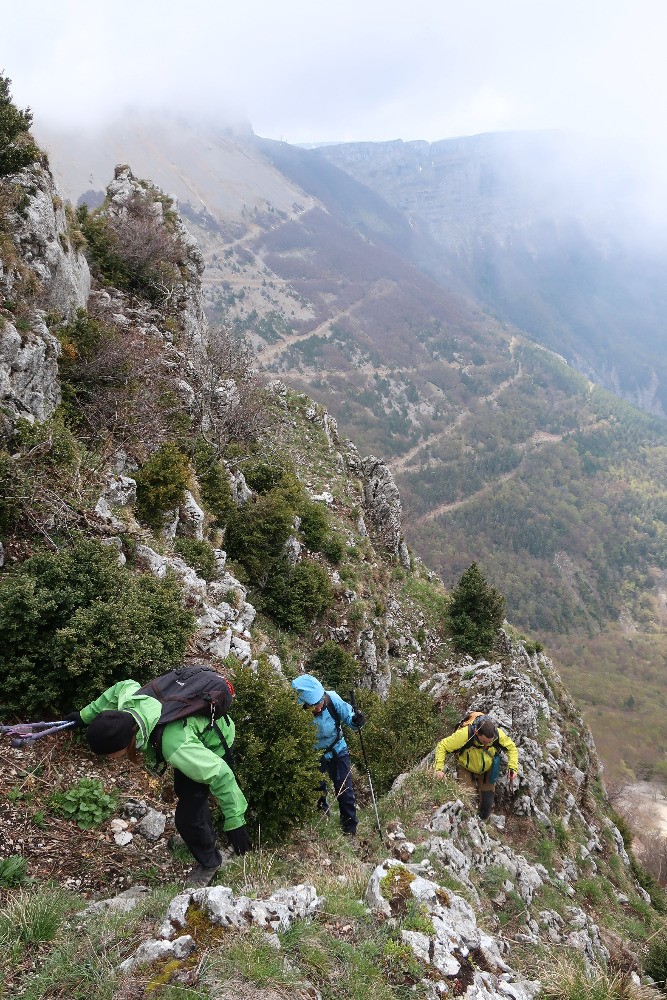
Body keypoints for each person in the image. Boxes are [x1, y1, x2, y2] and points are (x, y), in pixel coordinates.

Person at [66, 677, 249, 888]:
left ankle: (210, 862)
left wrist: (236, 821)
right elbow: (121, 686)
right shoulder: (129, 704)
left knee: (186, 818)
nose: (108, 759)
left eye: (108, 754)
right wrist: (84, 716)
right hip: (193, 736)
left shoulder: (175, 746)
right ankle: (206, 832)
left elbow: (221, 774)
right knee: (186, 792)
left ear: (125, 743)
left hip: (213, 744)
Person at [291, 674, 365, 836]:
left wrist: (357, 721)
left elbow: (350, 719)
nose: (319, 707)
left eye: (320, 702)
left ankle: (349, 830)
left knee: (345, 790)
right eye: (314, 705)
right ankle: (323, 825)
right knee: (317, 791)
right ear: (303, 704)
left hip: (337, 749)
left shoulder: (332, 700)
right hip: (312, 754)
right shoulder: (295, 712)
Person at [433, 714, 518, 821]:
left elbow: (512, 748)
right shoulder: (465, 734)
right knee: (468, 800)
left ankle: (481, 823)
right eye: (484, 742)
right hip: (465, 768)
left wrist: (512, 767)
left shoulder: (498, 735)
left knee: (487, 804)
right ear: (477, 733)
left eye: (490, 742)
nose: (487, 744)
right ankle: (468, 822)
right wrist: (438, 769)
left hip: (487, 769)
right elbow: (442, 746)